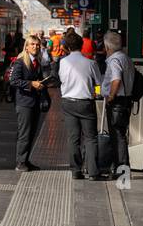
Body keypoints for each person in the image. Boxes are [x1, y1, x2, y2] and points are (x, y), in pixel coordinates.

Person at [57, 29, 104, 180]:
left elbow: (61, 80)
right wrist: (96, 93)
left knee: (73, 138)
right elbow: (98, 84)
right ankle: (93, 172)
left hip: (68, 103)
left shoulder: (63, 62)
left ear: (68, 47)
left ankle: (76, 171)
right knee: (90, 138)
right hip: (85, 104)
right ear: (82, 45)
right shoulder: (91, 63)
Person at [10, 33, 49, 172]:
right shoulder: (20, 62)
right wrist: (31, 84)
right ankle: (20, 162)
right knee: (24, 133)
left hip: (34, 102)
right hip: (24, 103)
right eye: (32, 44)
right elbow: (13, 81)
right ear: (26, 47)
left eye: (37, 45)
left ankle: (26, 160)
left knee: (32, 132)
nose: (35, 47)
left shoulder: (36, 61)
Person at [102, 31, 135, 175]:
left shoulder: (114, 60)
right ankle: (121, 166)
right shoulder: (126, 58)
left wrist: (110, 95)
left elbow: (116, 79)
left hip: (117, 102)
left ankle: (121, 168)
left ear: (107, 46)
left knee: (117, 135)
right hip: (126, 100)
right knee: (121, 134)